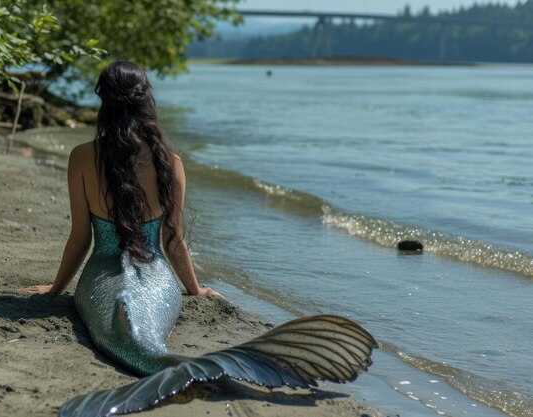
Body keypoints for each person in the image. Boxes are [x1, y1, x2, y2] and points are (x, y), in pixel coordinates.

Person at [20, 59, 377, 416]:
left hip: (100, 280)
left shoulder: (82, 156)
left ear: (103, 100)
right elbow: (172, 241)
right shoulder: (169, 161)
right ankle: (200, 367)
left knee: (132, 338)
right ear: (147, 100)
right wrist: (195, 288)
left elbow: (81, 237)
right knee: (150, 344)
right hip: (158, 282)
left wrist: (55, 289)